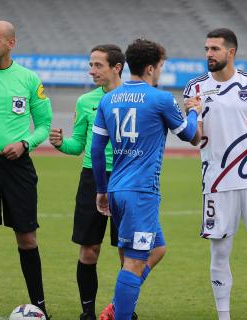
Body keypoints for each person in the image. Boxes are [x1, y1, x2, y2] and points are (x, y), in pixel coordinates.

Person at [49, 45, 166, 320]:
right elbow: (79, 145)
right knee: (89, 250)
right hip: (93, 178)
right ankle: (88, 313)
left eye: (98, 65)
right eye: (90, 65)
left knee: (128, 254)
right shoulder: (85, 101)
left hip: (127, 178)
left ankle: (119, 309)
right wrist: (60, 144)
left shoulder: (135, 98)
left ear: (117, 67)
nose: (92, 71)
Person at [91, 38, 200, 320]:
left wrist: (101, 190)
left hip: (116, 189)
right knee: (134, 263)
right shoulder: (160, 99)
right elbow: (191, 136)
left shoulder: (108, 98)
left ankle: (117, 306)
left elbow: (96, 149)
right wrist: (194, 111)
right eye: (161, 66)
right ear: (151, 68)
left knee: (158, 248)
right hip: (142, 193)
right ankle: (120, 313)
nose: (161, 71)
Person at [183, 28, 247, 320]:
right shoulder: (195, 88)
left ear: (231, 52)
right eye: (206, 49)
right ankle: (223, 315)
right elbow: (194, 137)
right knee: (219, 251)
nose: (209, 54)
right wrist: (194, 113)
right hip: (215, 182)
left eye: (215, 49)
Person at [0, 21, 52, 316]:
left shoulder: (28, 79)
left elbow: (44, 125)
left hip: (18, 167)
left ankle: (41, 307)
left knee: (27, 237)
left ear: (11, 43)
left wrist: (25, 143)